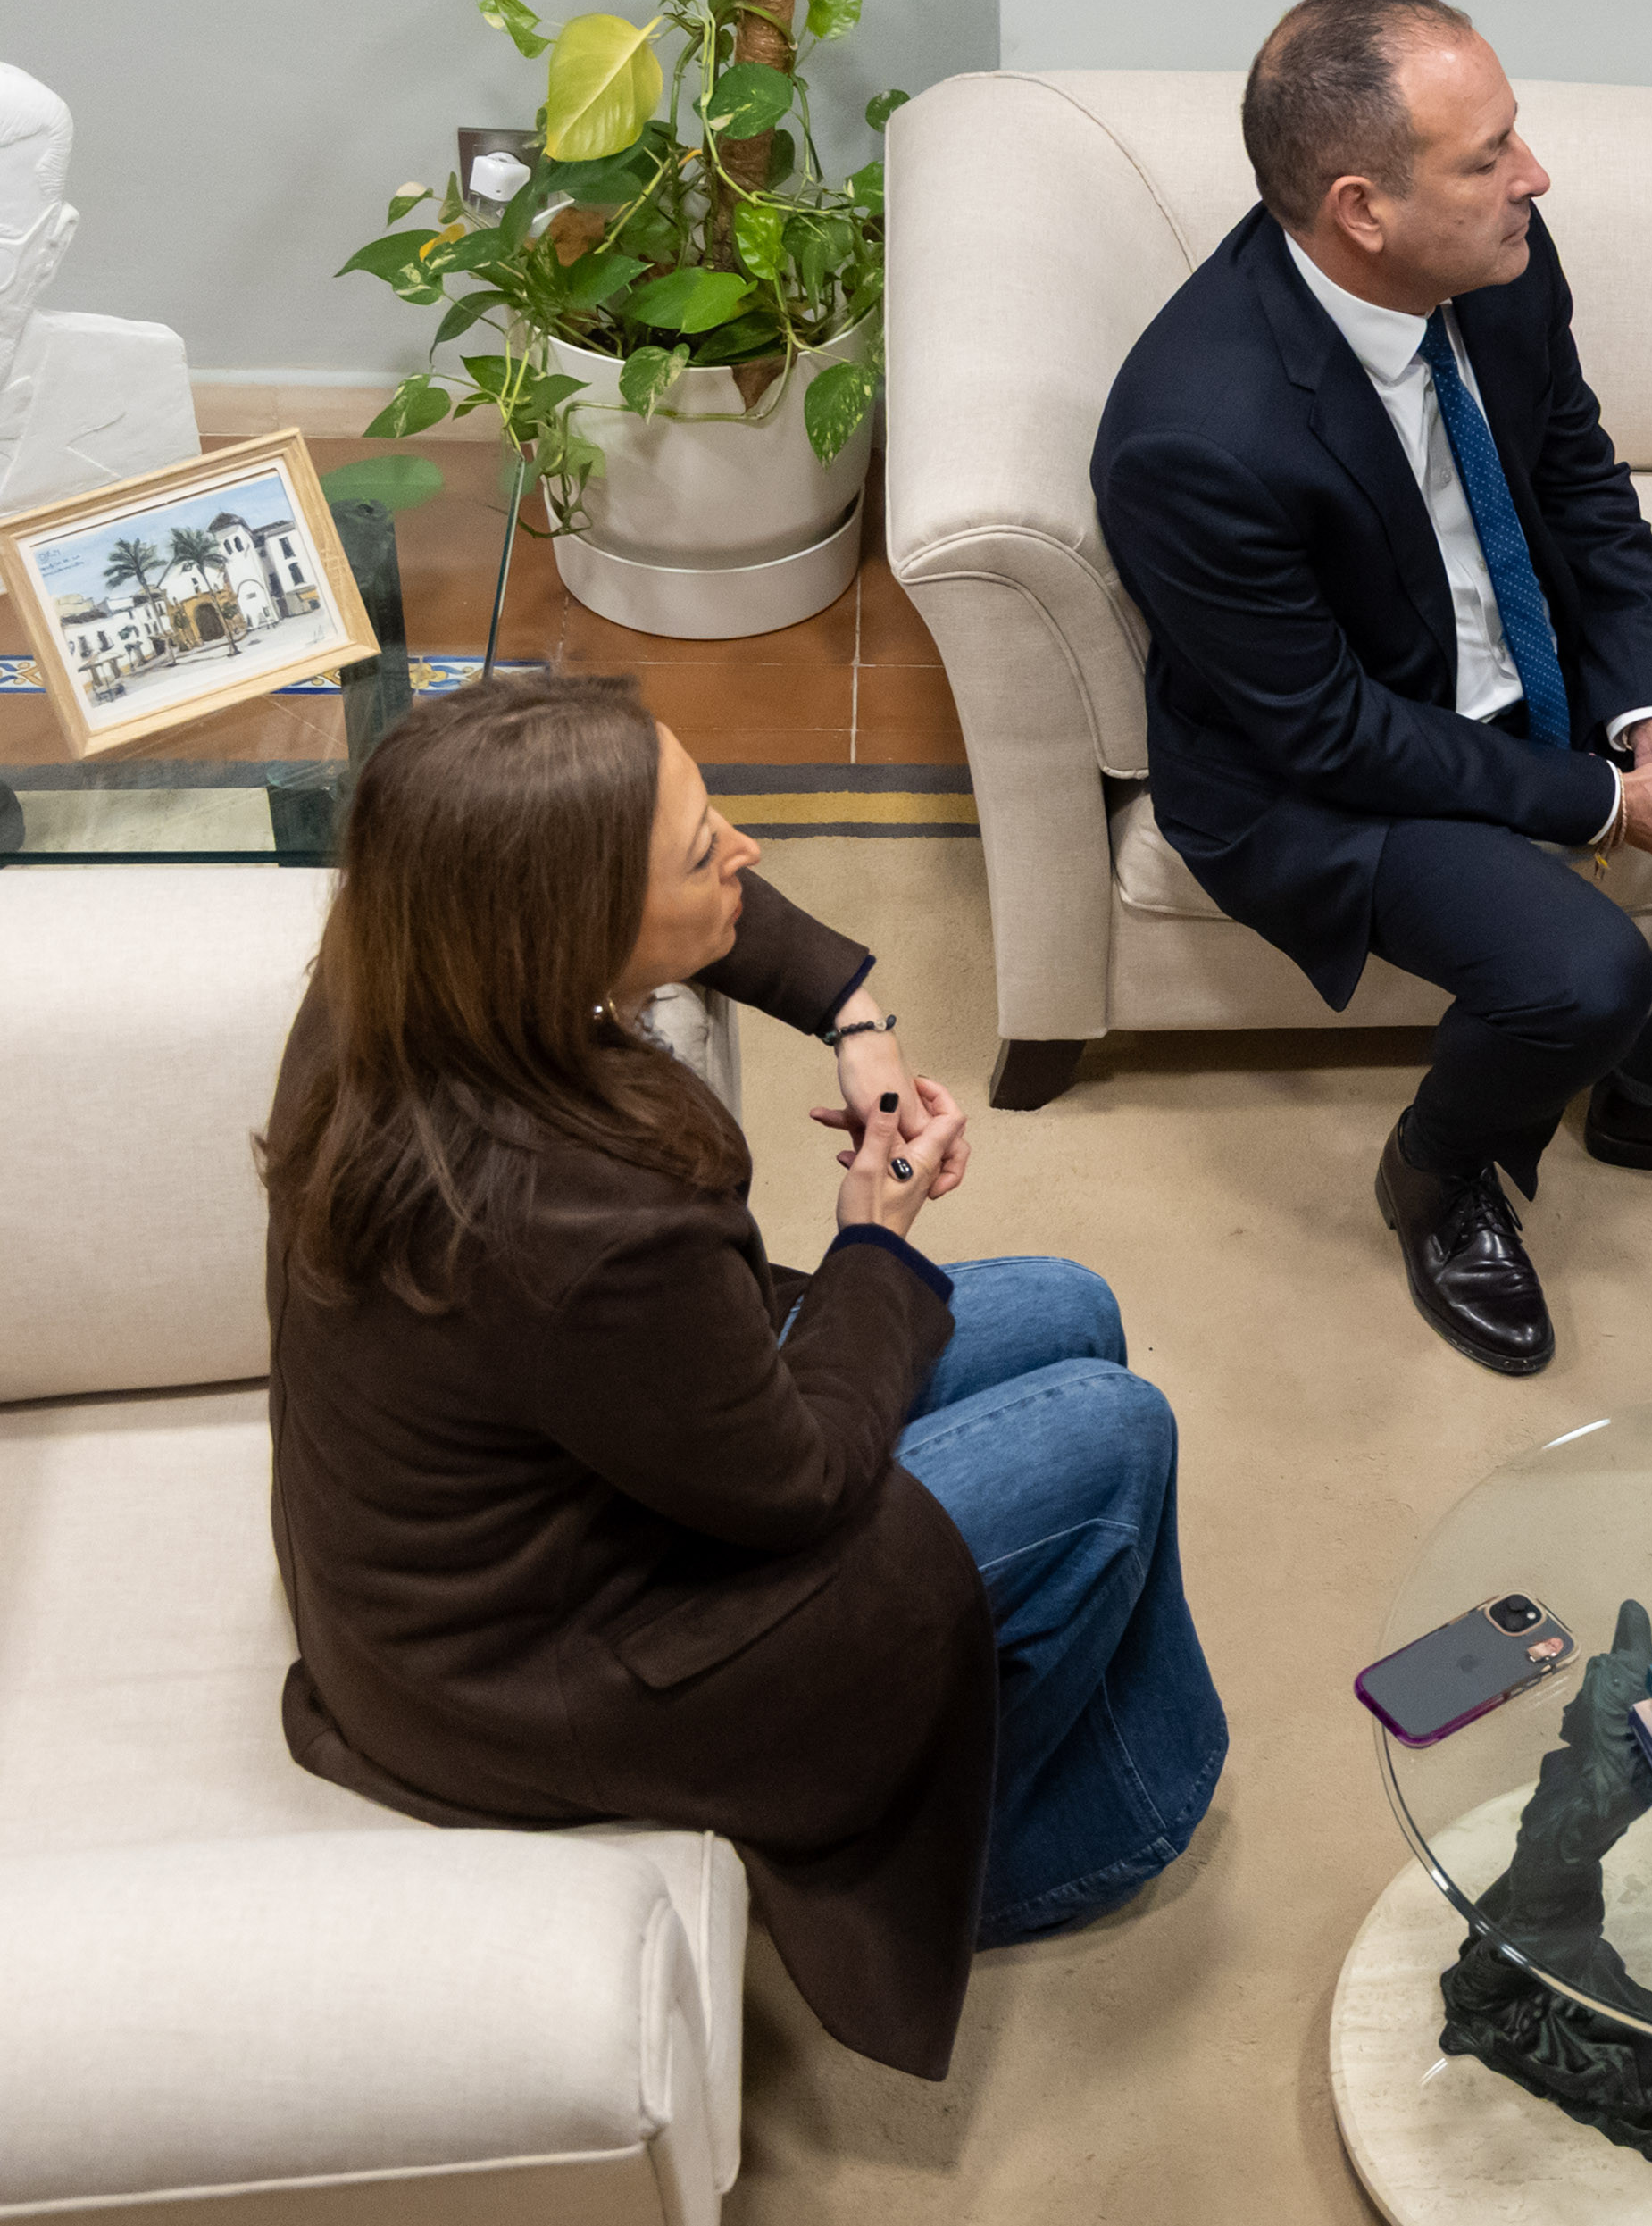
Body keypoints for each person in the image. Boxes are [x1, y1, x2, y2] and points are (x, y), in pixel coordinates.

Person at [258, 675, 1224, 2080]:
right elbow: (799, 1482)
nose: (747, 853)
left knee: (1072, 1304)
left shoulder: (405, 967)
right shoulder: (579, 1220)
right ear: (576, 920)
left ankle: (995, 1759)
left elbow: (682, 895)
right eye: (707, 848)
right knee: (1113, 1430)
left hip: (542, 1486)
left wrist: (854, 1013)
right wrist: (873, 1233)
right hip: (539, 1660)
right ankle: (1026, 1853)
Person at [1092, 0, 1652, 1376]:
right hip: (1321, 764)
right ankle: (1438, 1173)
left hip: (1516, 638)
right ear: (1362, 208)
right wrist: (1610, 802)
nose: (1533, 175)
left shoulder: (1498, 260)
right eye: (1488, 155)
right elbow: (1328, 728)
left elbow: (1581, 487)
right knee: (1581, 972)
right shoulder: (1195, 434)